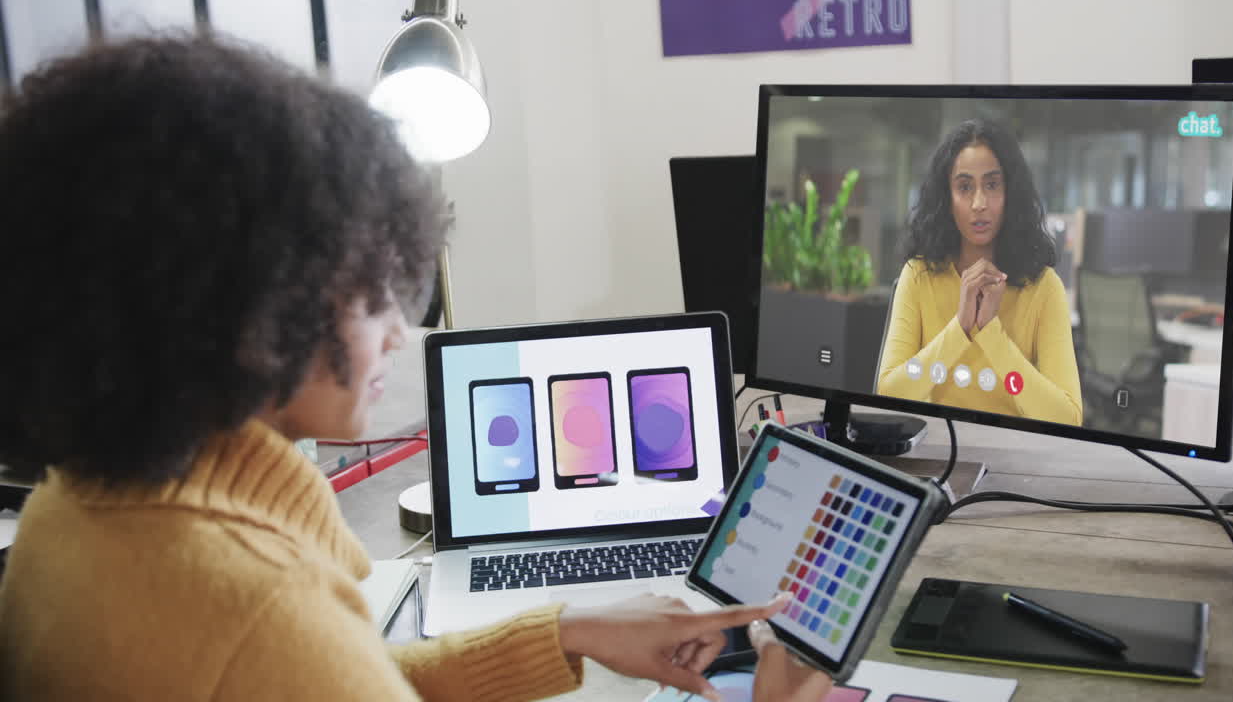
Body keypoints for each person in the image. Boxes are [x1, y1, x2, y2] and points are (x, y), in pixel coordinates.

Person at [0, 37, 833, 702]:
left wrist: (568, 631)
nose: (402, 331)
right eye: (369, 290)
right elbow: (300, 663)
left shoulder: (69, 507)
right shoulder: (254, 610)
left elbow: (346, 678)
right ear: (242, 298)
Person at [876, 118, 1082, 426]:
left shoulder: (1044, 287)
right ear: (947, 199)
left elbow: (1066, 418)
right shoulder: (918, 275)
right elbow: (889, 394)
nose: (979, 203)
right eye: (964, 187)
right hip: (937, 451)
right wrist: (960, 328)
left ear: (1010, 192)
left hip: (1016, 457)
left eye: (992, 185)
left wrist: (991, 334)